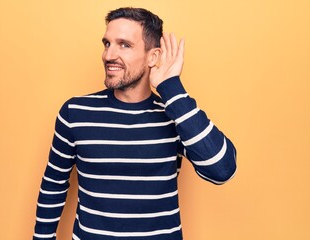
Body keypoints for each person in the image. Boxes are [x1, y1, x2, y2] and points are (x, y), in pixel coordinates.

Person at [33, 7, 237, 240]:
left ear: (153, 57)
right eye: (107, 43)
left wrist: (171, 87)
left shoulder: (175, 114)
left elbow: (222, 169)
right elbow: (53, 186)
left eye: (124, 45)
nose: (109, 55)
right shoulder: (75, 112)